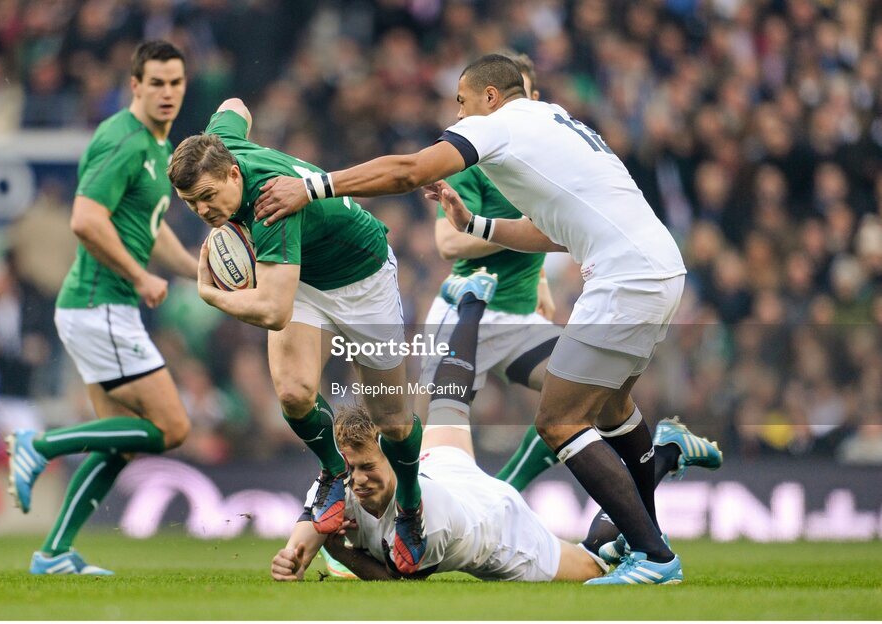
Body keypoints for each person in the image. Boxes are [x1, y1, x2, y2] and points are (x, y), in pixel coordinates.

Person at [255, 54, 696, 584]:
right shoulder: (553, 122)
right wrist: (477, 224)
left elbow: (410, 170)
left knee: (559, 420)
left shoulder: (501, 126)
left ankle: (653, 556)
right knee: (612, 409)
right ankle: (652, 508)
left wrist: (314, 186)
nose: (457, 116)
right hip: (656, 267)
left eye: (461, 103)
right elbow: (556, 232)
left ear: (490, 97)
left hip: (626, 280)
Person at [271, 276, 720, 583]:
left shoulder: (430, 526)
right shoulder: (349, 476)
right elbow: (310, 524)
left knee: (598, 563)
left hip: (497, 530)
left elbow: (397, 575)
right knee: (447, 400)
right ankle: (471, 304)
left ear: (393, 454)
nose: (357, 480)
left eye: (367, 467)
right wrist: (294, 555)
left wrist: (343, 549)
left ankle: (663, 456)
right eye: (350, 471)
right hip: (443, 468)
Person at [166, 98, 427, 574]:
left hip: (363, 277)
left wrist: (211, 293)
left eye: (207, 196)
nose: (203, 211)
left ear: (232, 177)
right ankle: (333, 471)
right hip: (305, 276)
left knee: (392, 422)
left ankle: (410, 505)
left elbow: (272, 309)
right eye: (191, 204)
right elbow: (234, 104)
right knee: (293, 393)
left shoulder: (269, 205)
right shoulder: (218, 149)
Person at [6, 40, 197, 576]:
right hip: (100, 304)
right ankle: (38, 444)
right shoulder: (122, 139)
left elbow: (151, 231)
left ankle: (53, 554)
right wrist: (139, 277)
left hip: (100, 309)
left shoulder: (162, 148)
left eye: (175, 82)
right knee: (171, 428)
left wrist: (198, 272)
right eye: (155, 83)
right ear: (134, 85)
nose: (166, 93)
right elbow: (85, 219)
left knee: (120, 443)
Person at [418, 52, 560, 491]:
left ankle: (505, 496)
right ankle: (358, 527)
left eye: (532, 96)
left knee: (582, 398)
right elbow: (448, 242)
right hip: (464, 317)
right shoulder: (473, 160)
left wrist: (541, 279)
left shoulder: (546, 154)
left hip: (519, 319)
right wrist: (522, 233)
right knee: (436, 458)